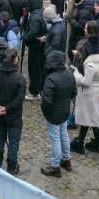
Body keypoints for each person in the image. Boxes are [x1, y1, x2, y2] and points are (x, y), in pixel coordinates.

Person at [0, 47, 25, 175]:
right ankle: (11, 168)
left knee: (0, 137)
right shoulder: (19, 78)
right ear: (14, 59)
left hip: (1, 114)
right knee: (13, 142)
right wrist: (6, 108)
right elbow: (20, 98)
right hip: (13, 116)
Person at [39, 49, 78, 177]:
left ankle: (55, 167)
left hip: (54, 114)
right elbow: (74, 92)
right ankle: (66, 160)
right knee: (64, 134)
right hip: (65, 111)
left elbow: (46, 101)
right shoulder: (69, 73)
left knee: (55, 139)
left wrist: (45, 110)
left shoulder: (51, 78)